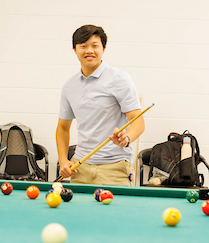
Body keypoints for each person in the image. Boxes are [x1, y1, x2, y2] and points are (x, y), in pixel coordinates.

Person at [56, 24, 144, 185]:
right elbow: (62, 128)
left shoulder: (119, 79)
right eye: (83, 46)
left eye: (94, 46)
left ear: (103, 48)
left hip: (115, 168)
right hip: (80, 167)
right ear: (75, 50)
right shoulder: (69, 86)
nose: (89, 50)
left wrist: (127, 139)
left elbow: (138, 121)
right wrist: (63, 160)